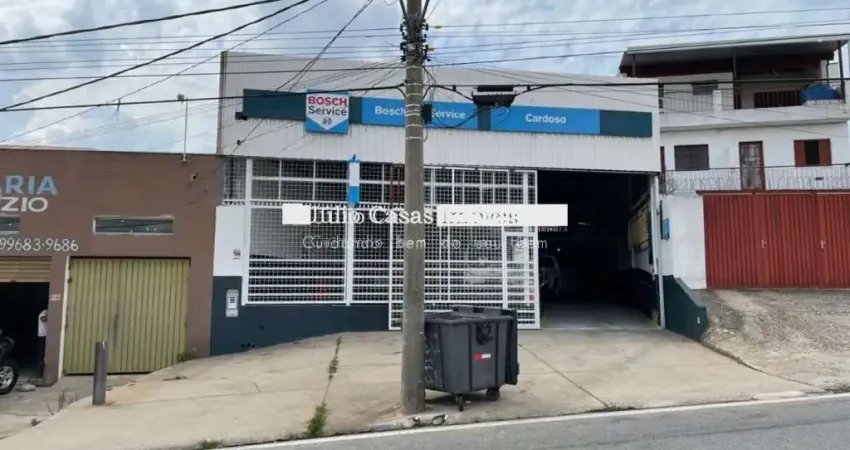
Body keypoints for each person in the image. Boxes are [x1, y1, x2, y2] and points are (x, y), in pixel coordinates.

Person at [37, 309, 47, 379]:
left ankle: (41, 372)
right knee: (42, 355)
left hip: (46, 336)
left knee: (44, 355)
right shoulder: (44, 312)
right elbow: (43, 319)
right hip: (42, 336)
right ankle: (40, 373)